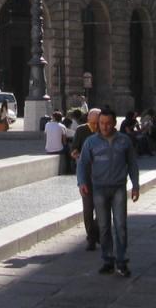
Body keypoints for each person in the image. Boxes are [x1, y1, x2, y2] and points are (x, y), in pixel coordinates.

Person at [76, 107, 140, 278]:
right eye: (101, 123)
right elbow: (82, 164)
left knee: (121, 225)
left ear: (114, 123)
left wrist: (135, 185)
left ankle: (121, 260)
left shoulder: (124, 141)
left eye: (108, 123)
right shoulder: (91, 142)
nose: (104, 127)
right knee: (104, 227)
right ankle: (107, 259)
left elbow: (132, 164)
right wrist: (81, 182)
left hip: (118, 187)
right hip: (99, 188)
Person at [70, 107, 101, 250]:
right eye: (93, 123)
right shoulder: (82, 130)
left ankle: (96, 232)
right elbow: (74, 148)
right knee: (88, 208)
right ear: (88, 119)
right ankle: (91, 238)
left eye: (97, 123)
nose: (95, 126)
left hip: (102, 176)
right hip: (86, 174)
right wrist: (75, 153)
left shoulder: (104, 129)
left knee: (102, 209)